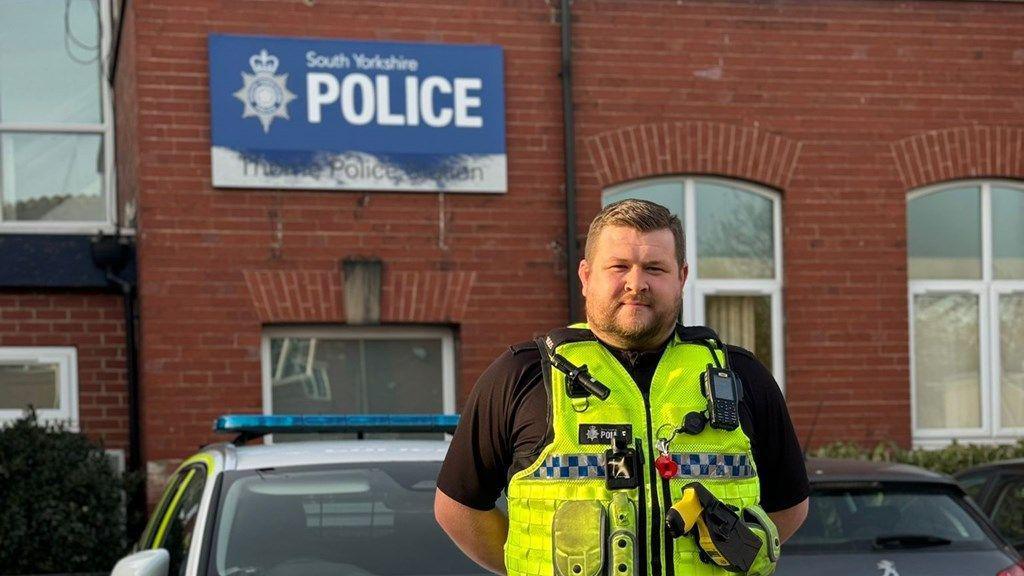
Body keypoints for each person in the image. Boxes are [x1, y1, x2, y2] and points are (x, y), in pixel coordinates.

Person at [435, 199, 809, 576]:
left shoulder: (739, 376)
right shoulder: (522, 375)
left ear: (681, 276)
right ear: (585, 277)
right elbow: (457, 505)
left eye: (654, 268)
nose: (636, 283)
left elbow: (790, 505)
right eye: (619, 267)